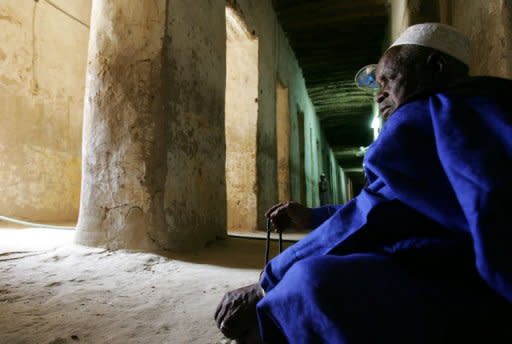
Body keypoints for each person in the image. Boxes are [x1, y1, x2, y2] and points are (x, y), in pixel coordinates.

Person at [214, 23, 512, 343]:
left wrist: (267, 282)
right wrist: (313, 216)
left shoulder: (425, 115)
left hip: (481, 293)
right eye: (377, 85)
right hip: (481, 275)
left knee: (309, 280)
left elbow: (376, 214)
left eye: (389, 79)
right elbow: (400, 203)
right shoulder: (491, 103)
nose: (379, 93)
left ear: (436, 68)